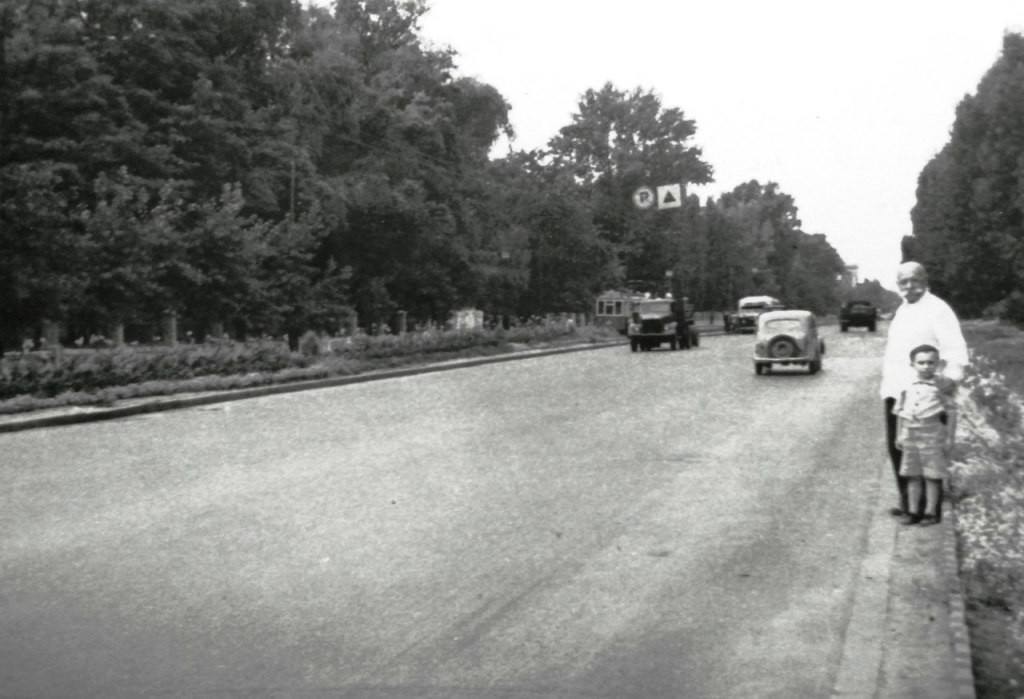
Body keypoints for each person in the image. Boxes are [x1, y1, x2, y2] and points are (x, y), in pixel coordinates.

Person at [881, 261, 968, 520]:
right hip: (899, 393)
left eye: (914, 280)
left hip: (928, 398)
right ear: (898, 286)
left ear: (925, 280)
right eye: (903, 282)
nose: (909, 286)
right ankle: (909, 504)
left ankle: (930, 509)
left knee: (929, 454)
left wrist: (950, 379)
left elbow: (956, 349)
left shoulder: (938, 310)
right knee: (901, 450)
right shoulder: (902, 310)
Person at [893, 344, 958, 526]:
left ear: (938, 364)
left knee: (932, 475)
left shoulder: (942, 386)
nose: (926, 366)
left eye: (931, 363)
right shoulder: (906, 386)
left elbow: (952, 412)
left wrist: (949, 438)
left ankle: (930, 513)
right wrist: (899, 435)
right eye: (921, 363)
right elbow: (900, 412)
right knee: (912, 474)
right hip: (910, 433)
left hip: (932, 433)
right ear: (912, 364)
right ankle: (913, 511)